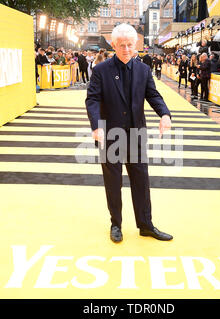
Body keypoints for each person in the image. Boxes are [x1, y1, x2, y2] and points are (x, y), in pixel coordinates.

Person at [85, 23, 173, 243]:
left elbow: (153, 95)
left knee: (141, 179)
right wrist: (96, 126)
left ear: (136, 45)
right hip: (110, 134)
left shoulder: (143, 70)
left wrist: (164, 115)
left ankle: (146, 224)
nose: (125, 49)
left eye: (130, 45)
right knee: (113, 182)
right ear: (113, 45)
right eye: (121, 45)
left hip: (135, 133)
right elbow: (92, 99)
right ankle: (116, 224)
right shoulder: (101, 70)